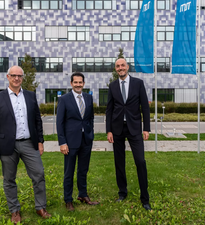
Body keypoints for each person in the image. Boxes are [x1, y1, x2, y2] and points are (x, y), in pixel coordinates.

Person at [0, 65, 51, 224]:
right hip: (7, 146)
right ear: (8, 77)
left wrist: (40, 142)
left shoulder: (30, 96)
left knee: (39, 174)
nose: (17, 78)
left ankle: (40, 207)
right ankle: (14, 210)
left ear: (22, 78)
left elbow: (37, 120)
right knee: (9, 179)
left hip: (29, 143)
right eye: (13, 75)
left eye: (20, 76)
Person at [106, 58, 152, 211]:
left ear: (127, 67)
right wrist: (109, 130)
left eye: (122, 65)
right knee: (119, 163)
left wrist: (146, 128)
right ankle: (122, 192)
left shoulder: (138, 83)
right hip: (117, 128)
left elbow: (145, 107)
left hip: (134, 128)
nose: (120, 68)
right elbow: (109, 109)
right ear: (115, 68)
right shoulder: (112, 86)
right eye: (118, 66)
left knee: (140, 161)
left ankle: (145, 198)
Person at [56, 72, 99, 211]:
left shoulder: (88, 97)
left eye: (80, 82)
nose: (78, 85)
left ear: (84, 84)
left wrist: (90, 133)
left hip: (86, 140)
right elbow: (59, 122)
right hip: (70, 142)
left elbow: (90, 118)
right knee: (69, 172)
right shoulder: (64, 99)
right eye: (76, 82)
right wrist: (62, 142)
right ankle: (68, 200)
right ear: (71, 83)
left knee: (83, 170)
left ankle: (83, 194)